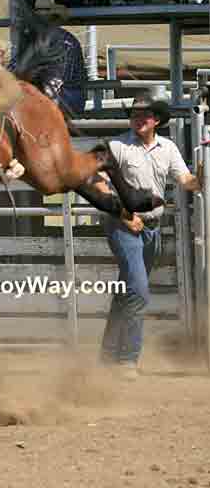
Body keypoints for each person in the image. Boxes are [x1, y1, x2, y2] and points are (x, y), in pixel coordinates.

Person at [96, 92, 202, 379]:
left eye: (145, 114)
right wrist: (124, 215)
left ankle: (107, 355)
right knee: (139, 290)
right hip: (123, 225)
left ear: (156, 120)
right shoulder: (116, 146)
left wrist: (202, 175)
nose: (139, 118)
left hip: (151, 227)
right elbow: (96, 182)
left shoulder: (167, 148)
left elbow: (187, 182)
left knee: (127, 292)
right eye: (135, 114)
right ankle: (127, 359)